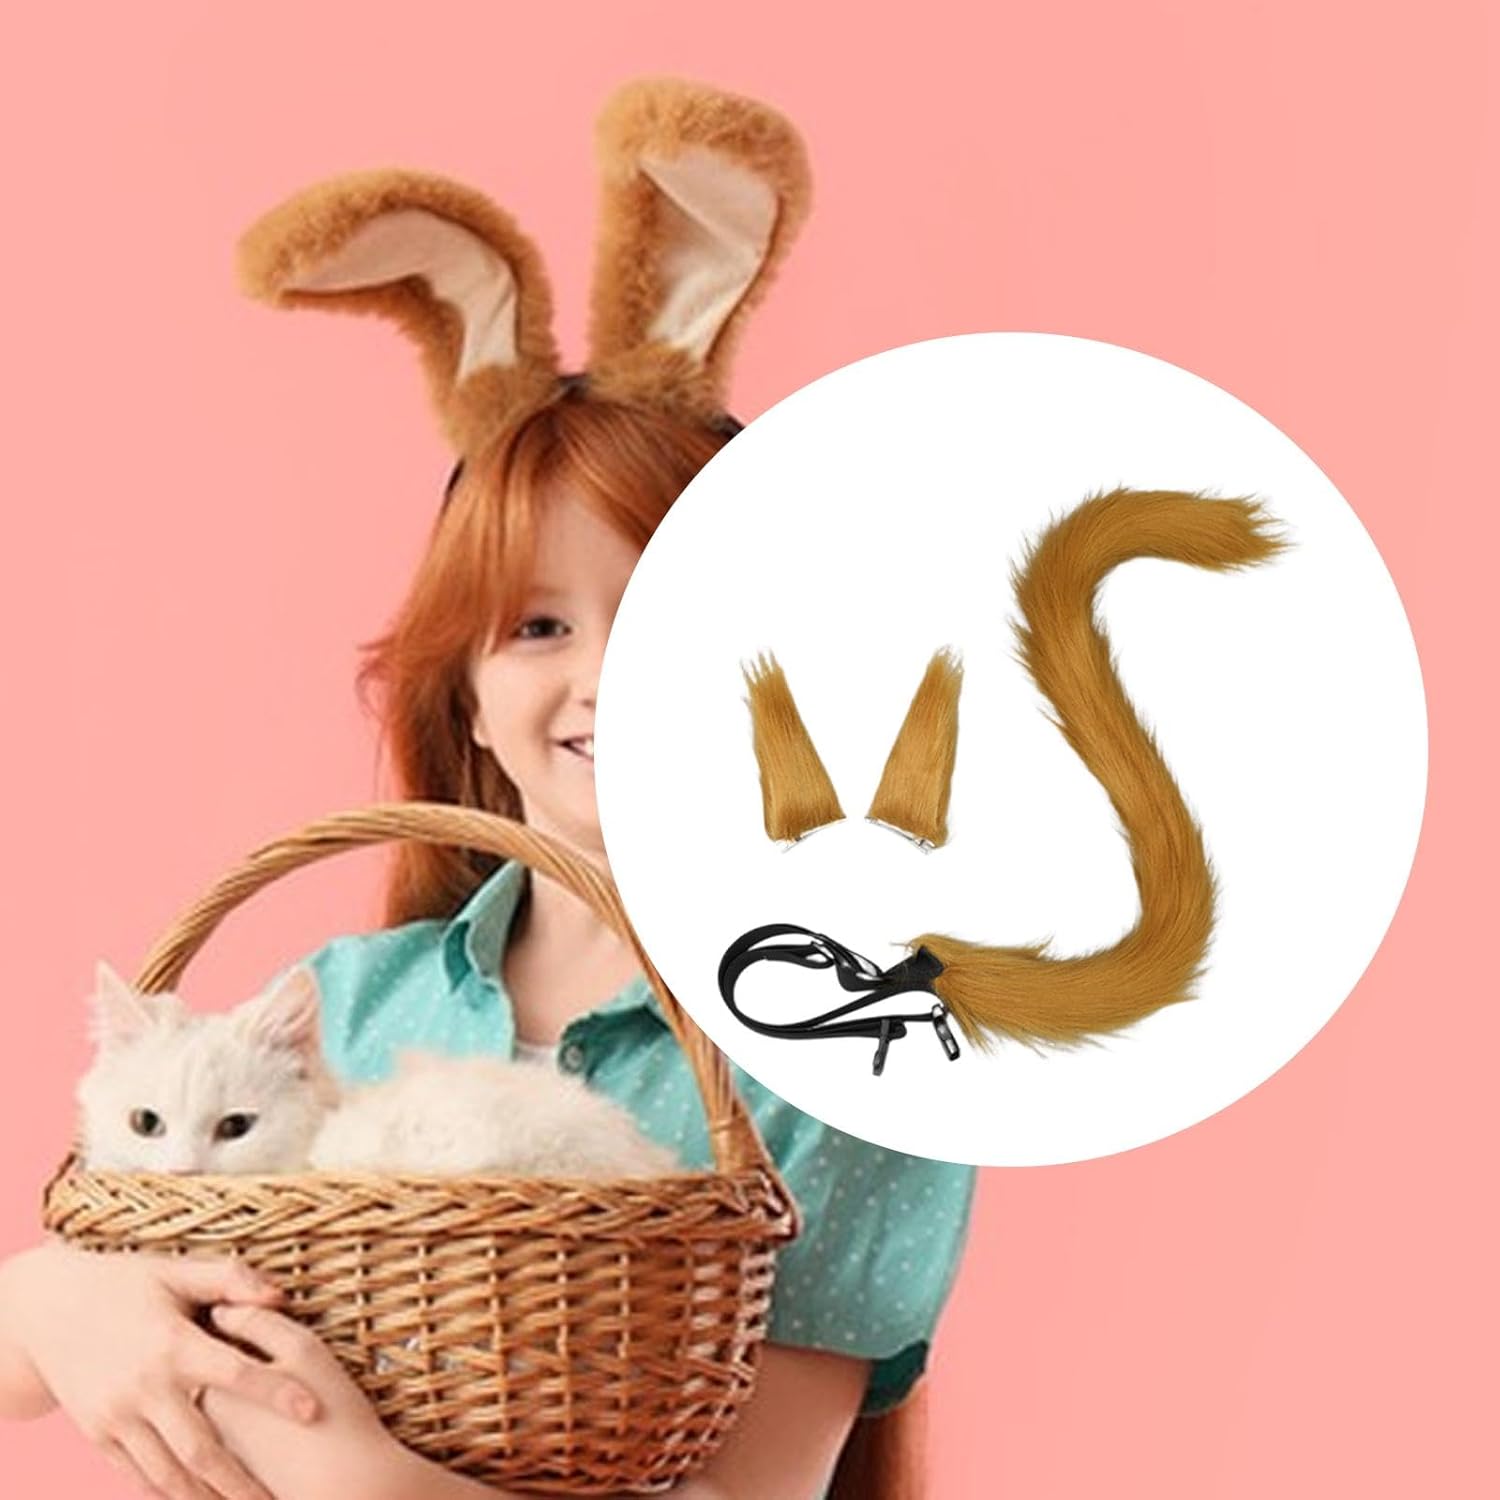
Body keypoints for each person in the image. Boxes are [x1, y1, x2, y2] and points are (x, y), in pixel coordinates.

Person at [0, 79, 975, 1500]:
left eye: (675, 615)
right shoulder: (350, 1007)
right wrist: (49, 1301)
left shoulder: (853, 1048)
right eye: (537, 627)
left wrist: (366, 1483)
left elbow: (747, 1489)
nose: (607, 680)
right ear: (462, 688)